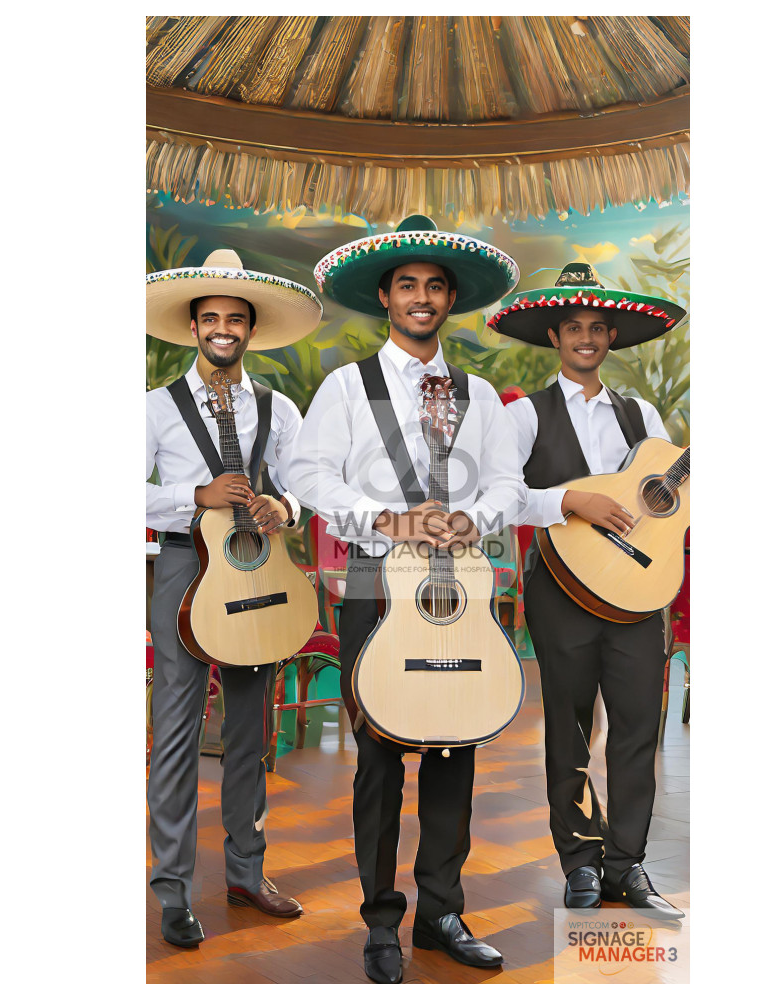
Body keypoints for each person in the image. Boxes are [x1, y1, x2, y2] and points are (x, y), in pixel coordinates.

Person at [283, 216, 523, 983]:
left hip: (456, 581)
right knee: (380, 756)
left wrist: (471, 517)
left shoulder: (478, 393)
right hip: (371, 577)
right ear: (386, 295)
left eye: (436, 286)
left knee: (458, 744)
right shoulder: (346, 387)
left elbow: (509, 486)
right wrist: (383, 516)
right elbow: (307, 475)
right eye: (409, 285)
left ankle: (442, 912)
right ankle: (382, 921)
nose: (422, 298)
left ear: (451, 299)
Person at [488, 262, 687, 920]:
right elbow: (503, 498)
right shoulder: (524, 418)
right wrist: (571, 499)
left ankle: (626, 866)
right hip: (560, 589)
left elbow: (673, 497)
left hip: (637, 594)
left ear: (610, 339)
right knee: (570, 731)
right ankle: (579, 860)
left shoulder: (642, 414)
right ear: (555, 336)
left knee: (637, 730)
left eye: (597, 328)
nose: (586, 337)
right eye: (574, 327)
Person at [145, 248, 322, 947]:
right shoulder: (154, 408)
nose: (223, 328)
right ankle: (173, 891)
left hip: (260, 573)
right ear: (193, 327)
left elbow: (309, 478)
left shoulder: (278, 408)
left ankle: (247, 871)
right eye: (211, 317)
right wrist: (193, 494)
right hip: (186, 572)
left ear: (251, 330)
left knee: (251, 733)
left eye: (235, 319)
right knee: (179, 733)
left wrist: (287, 504)